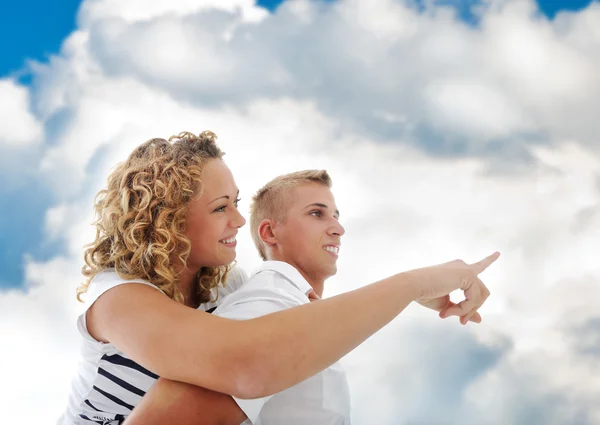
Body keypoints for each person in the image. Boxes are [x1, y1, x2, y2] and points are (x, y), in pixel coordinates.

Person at [58, 131, 499, 425]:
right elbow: (247, 366)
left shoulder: (225, 287)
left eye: (235, 202)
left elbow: (295, 322)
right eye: (219, 207)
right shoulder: (119, 298)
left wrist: (412, 298)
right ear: (166, 220)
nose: (236, 219)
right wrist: (413, 283)